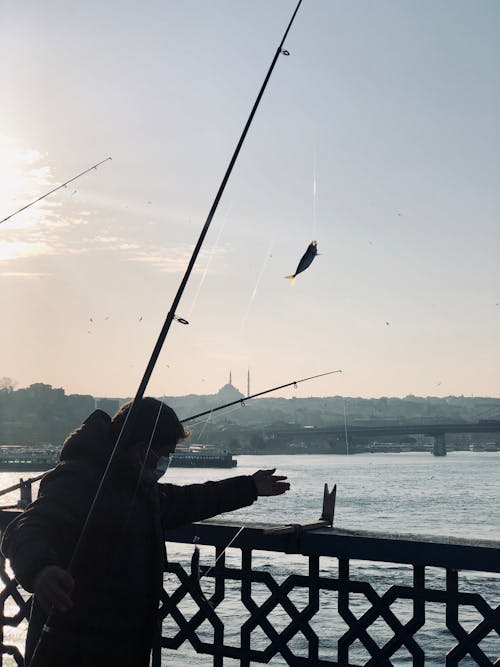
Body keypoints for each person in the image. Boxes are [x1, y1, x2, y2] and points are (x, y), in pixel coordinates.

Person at [1, 397, 290, 667]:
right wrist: (40, 569)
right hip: (73, 649)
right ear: (142, 450)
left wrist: (249, 487)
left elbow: (189, 500)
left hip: (120, 647)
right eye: (164, 454)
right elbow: (26, 527)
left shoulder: (137, 489)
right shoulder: (77, 481)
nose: (166, 463)